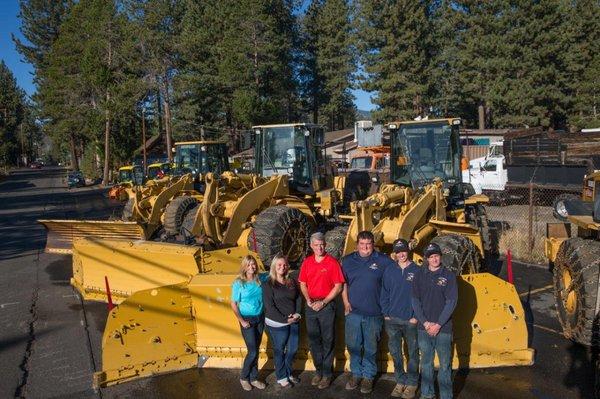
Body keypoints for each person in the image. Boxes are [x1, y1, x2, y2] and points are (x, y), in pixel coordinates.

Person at [342, 230, 396, 394]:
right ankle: (356, 374)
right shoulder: (347, 260)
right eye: (362, 244)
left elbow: (393, 281)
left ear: (373, 244)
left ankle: (368, 377)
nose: (365, 247)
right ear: (357, 244)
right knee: (353, 346)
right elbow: (343, 283)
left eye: (368, 244)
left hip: (374, 313)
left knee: (371, 348)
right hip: (353, 313)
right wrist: (345, 302)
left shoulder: (384, 261)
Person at [299, 232, 345, 389]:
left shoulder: (332, 263)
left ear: (325, 245)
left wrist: (324, 302)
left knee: (328, 340)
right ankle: (318, 371)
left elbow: (338, 286)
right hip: (311, 306)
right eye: (316, 245)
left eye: (322, 244)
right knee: (314, 341)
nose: (320, 247)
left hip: (326, 307)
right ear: (311, 246)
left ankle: (327, 374)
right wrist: (308, 300)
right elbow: (303, 284)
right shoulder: (307, 262)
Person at [412, 242, 458, 399]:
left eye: (436, 256)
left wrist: (438, 324)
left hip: (443, 328)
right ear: (426, 259)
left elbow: (451, 302)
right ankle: (427, 394)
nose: (434, 259)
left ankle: (446, 395)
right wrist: (425, 323)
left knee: (445, 365)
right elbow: (415, 301)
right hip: (423, 328)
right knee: (426, 363)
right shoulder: (419, 275)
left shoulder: (449, 276)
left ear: (441, 257)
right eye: (431, 257)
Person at [381, 239, 420, 398]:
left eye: (403, 251)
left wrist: (415, 316)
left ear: (407, 251)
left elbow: (422, 296)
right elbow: (384, 293)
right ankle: (400, 381)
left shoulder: (417, 270)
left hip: (410, 320)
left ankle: (412, 383)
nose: (401, 254)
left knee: (412, 352)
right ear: (394, 254)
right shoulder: (390, 270)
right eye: (398, 252)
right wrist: (386, 313)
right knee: (396, 353)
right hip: (392, 320)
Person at [263, 254, 302, 388]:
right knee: (279, 350)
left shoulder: (291, 281)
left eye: (284, 264)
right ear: (274, 266)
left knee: (292, 349)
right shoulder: (268, 284)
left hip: (293, 320)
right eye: (279, 265)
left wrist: (297, 313)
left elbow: (298, 298)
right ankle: (282, 376)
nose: (282, 267)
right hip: (277, 323)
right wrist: (286, 319)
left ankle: (288, 371)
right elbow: (270, 306)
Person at [230, 255, 268, 391]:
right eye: (249, 265)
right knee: (252, 351)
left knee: (256, 350)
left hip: (260, 317)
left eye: (254, 264)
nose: (252, 267)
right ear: (244, 267)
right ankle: (244, 377)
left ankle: (254, 378)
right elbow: (234, 304)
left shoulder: (261, 279)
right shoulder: (238, 283)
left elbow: (275, 272)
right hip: (247, 319)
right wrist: (241, 320)